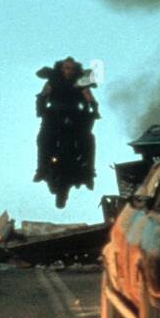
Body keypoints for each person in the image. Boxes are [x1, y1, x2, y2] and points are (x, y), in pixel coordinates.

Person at [34, 57, 100, 206]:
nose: (68, 71)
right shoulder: (52, 80)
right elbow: (43, 95)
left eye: (71, 68)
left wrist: (94, 108)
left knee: (88, 140)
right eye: (66, 68)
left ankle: (89, 172)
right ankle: (41, 169)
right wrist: (41, 108)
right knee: (43, 139)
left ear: (75, 69)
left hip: (75, 116)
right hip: (54, 115)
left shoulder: (81, 81)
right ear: (61, 68)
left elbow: (88, 96)